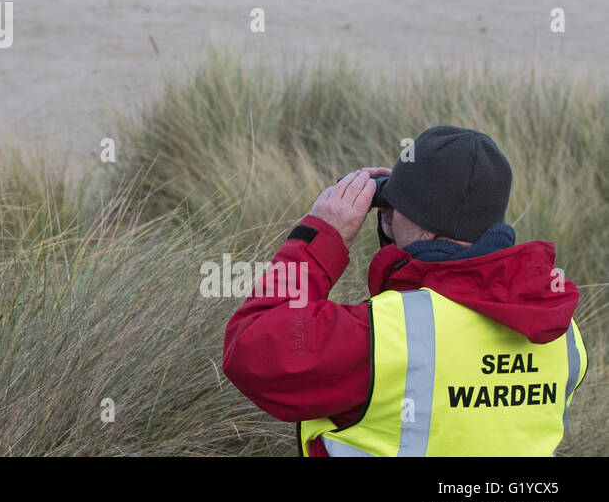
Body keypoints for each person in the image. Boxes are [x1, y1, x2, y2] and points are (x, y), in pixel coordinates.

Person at [222, 125, 587, 456]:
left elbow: (250, 345)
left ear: (422, 228)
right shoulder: (563, 331)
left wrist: (321, 235)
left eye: (391, 210)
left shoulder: (387, 336)